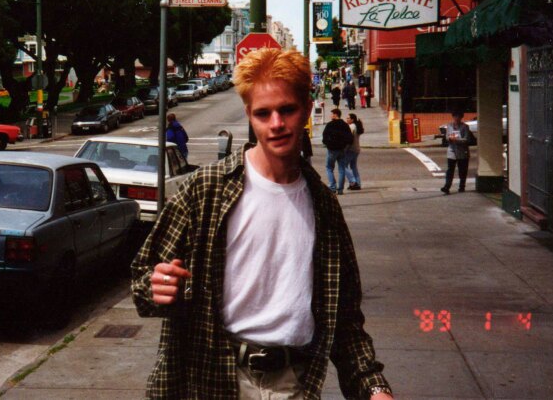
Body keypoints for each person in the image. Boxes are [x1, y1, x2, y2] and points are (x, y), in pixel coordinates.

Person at [131, 48, 391, 400]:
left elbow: (345, 319)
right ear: (249, 116)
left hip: (293, 383)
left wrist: (373, 388)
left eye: (287, 109)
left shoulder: (324, 206)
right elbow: (144, 274)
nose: (276, 124)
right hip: (212, 379)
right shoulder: (207, 190)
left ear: (306, 108)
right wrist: (156, 286)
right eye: (263, 113)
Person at [322, 108, 353, 194]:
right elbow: (350, 138)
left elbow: (324, 137)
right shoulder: (344, 125)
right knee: (341, 169)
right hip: (341, 149)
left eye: (332, 114)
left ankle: (332, 187)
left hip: (332, 149)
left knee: (329, 168)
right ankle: (340, 189)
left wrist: (328, 144)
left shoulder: (330, 125)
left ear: (335, 114)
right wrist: (345, 146)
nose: (330, 116)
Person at [441, 109, 472, 194]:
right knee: (450, 170)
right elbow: (447, 136)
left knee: (462, 170)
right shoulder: (449, 126)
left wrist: (457, 140)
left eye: (458, 116)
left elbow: (467, 139)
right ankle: (447, 186)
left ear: (461, 117)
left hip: (462, 151)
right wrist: (449, 139)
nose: (456, 118)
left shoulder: (465, 127)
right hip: (452, 151)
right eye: (455, 116)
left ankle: (462, 186)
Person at [345, 113, 364, 190]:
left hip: (351, 149)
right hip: (356, 149)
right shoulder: (356, 126)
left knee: (343, 165)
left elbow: (349, 139)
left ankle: (353, 181)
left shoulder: (351, 127)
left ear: (352, 119)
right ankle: (358, 183)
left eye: (348, 118)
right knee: (353, 167)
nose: (347, 119)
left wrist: (345, 149)